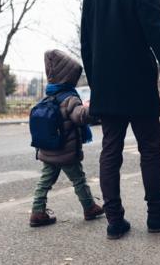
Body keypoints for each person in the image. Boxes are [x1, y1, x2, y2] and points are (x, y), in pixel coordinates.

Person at [81, 0, 160, 239]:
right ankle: (157, 213)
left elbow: (86, 43)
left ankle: (114, 220)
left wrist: (97, 85)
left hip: (106, 83)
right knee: (150, 149)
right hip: (138, 83)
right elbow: (158, 35)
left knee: (110, 151)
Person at [29, 50, 104, 227]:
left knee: (45, 181)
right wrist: (91, 108)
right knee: (78, 179)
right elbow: (80, 117)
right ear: (68, 77)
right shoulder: (70, 98)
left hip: (49, 150)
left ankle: (37, 212)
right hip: (66, 151)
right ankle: (89, 207)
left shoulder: (49, 96)